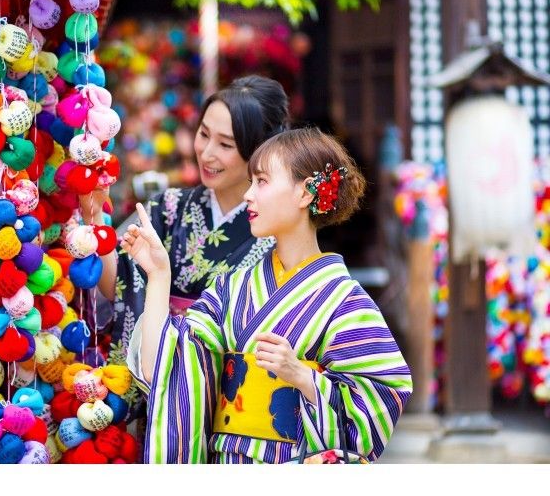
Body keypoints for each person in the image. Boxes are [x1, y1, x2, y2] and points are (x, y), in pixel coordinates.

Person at [121, 127, 412, 463]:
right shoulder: (231, 289)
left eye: (261, 181)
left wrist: (302, 376)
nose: (248, 195)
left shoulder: (345, 302)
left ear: (305, 194)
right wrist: (159, 275)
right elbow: (164, 365)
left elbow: (383, 398)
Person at [80, 75, 291, 359]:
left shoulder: (275, 229)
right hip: (153, 373)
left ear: (258, 150)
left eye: (225, 145)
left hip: (225, 385)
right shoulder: (168, 207)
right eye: (204, 135)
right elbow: (117, 285)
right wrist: (93, 215)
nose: (207, 153)